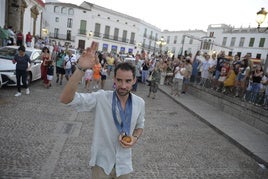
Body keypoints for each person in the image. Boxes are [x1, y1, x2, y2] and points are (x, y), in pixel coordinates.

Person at [60, 41, 145, 178]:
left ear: (134, 80)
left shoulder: (139, 103)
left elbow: (140, 125)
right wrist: (81, 69)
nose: (123, 85)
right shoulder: (101, 98)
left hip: (124, 165)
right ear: (114, 80)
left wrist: (134, 138)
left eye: (128, 81)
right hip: (102, 164)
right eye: (119, 80)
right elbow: (65, 99)